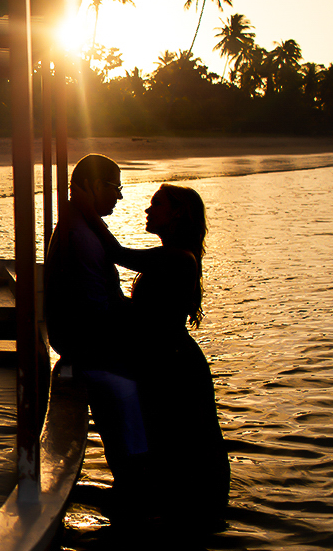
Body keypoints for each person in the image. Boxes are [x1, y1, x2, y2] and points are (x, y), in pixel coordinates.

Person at [76, 182, 231, 529]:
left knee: (183, 438)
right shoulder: (173, 257)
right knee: (171, 438)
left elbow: (117, 253)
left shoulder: (176, 258)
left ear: (176, 213)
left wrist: (83, 208)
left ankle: (187, 514)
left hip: (174, 366)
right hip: (164, 361)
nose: (147, 211)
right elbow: (145, 312)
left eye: (156, 205)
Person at [44, 154, 153, 508]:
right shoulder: (81, 236)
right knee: (134, 455)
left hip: (88, 347)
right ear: (90, 186)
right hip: (94, 355)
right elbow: (97, 314)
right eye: (114, 187)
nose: (119, 197)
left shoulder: (81, 228)